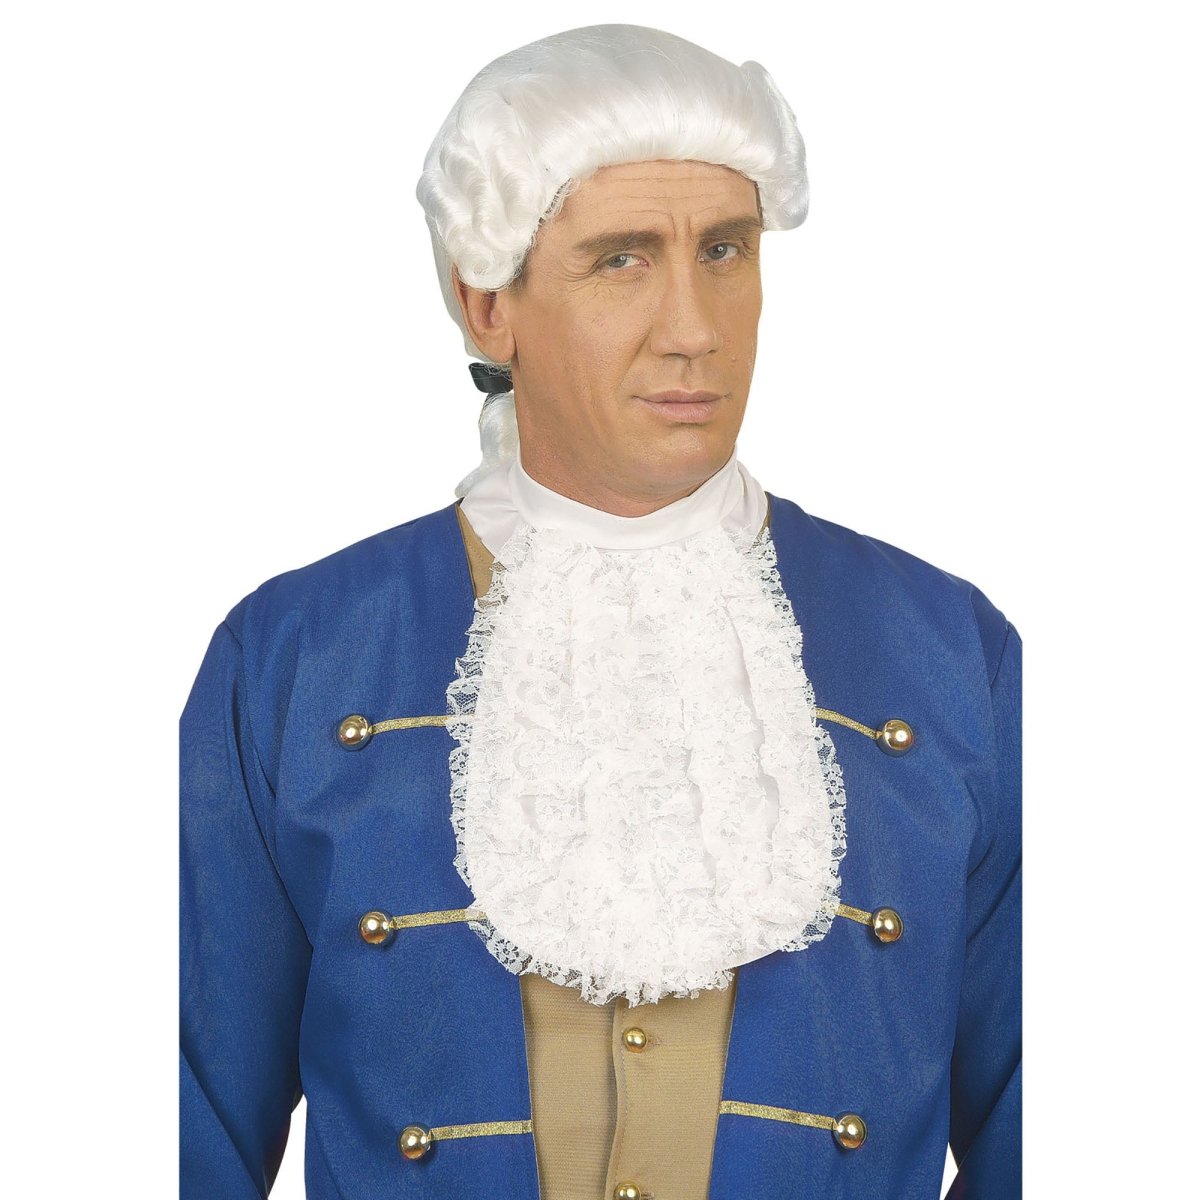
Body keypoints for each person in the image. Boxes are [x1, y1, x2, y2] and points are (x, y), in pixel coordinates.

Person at [180, 24, 1021, 1200]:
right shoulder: (293, 658)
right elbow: (179, 1128)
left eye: (724, 251)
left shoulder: (950, 655)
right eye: (622, 260)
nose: (694, 327)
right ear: (488, 305)